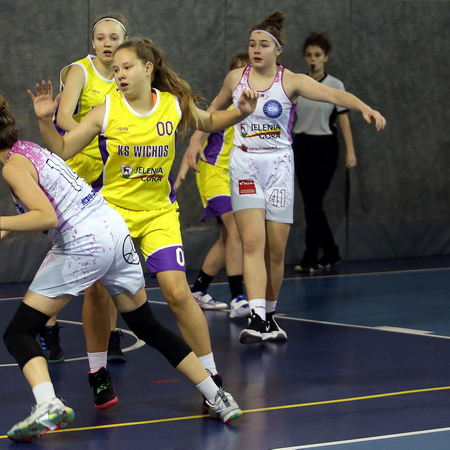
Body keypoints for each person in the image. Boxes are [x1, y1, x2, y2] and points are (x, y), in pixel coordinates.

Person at [0, 93, 243, 442]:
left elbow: (45, 216)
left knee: (18, 333)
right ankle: (217, 396)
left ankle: (48, 404)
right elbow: (51, 202)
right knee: (147, 325)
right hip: (112, 228)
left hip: (84, 242)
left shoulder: (11, 167)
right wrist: (1, 229)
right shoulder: (29, 150)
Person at [29, 37, 258, 409]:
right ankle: (98, 372)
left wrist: (241, 112)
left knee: (177, 293)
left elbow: (212, 120)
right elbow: (63, 148)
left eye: (126, 67)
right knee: (98, 292)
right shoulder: (106, 110)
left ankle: (211, 377)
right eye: (116, 69)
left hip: (158, 213)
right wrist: (44, 121)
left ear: (147, 68)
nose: (119, 74)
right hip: (112, 213)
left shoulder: (173, 104)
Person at [186, 11, 386, 345]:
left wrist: (365, 107)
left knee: (275, 251)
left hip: (278, 165)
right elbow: (213, 112)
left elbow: (334, 96)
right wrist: (195, 140)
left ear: (278, 50)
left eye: (263, 44)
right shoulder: (236, 78)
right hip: (245, 165)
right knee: (253, 242)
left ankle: (270, 315)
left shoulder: (291, 81)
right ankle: (256, 317)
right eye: (252, 44)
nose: (256, 49)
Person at [43, 13, 129, 368]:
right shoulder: (81, 71)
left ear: (123, 42)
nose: (107, 43)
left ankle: (111, 336)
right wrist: (96, 130)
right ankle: (48, 328)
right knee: (68, 253)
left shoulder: (128, 74)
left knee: (109, 255)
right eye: (101, 37)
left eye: (114, 38)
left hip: (111, 174)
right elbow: (63, 118)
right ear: (93, 42)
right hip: (78, 171)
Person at [175, 53, 250, 316]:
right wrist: (180, 176)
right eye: (237, 72)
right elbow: (195, 141)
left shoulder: (253, 109)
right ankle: (238, 297)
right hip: (213, 176)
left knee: (227, 238)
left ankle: (198, 290)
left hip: (235, 177)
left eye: (247, 71)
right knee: (235, 231)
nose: (242, 77)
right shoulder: (220, 110)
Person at [292, 32, 355, 273]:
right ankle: (331, 251)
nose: (313, 59)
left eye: (317, 55)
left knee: (313, 201)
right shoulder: (298, 84)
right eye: (309, 55)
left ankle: (310, 256)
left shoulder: (335, 85)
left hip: (325, 147)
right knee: (311, 203)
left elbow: (344, 119)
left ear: (325, 57)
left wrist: (350, 152)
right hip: (301, 145)